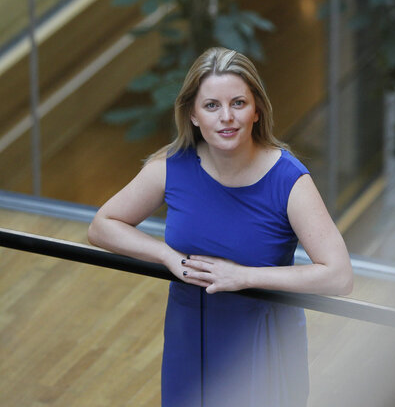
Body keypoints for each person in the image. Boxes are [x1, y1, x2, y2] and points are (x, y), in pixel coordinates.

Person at [88, 47, 353, 407]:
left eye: (238, 103)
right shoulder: (172, 167)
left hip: (261, 340)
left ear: (257, 110)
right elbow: (103, 225)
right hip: (189, 330)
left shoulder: (289, 180)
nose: (226, 117)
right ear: (193, 115)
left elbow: (338, 276)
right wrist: (166, 256)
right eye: (211, 105)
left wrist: (244, 277)